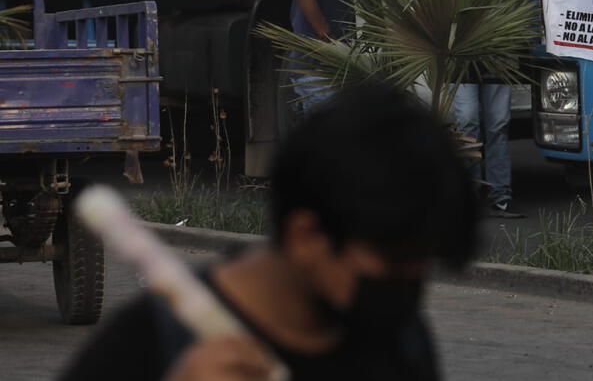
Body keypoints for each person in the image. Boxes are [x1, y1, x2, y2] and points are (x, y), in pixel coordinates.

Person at [58, 82, 479, 381]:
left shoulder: (399, 342)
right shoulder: (146, 346)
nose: (408, 285)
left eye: (423, 263)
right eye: (394, 260)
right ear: (307, 236)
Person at [453, 80, 523, 218]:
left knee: (497, 126)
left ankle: (500, 196)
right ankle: (470, 193)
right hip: (461, 66)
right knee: (467, 121)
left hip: (495, 64)